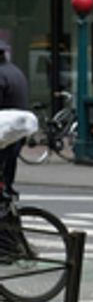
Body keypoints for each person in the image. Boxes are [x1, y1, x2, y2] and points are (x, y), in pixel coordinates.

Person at [0, 42, 29, 196]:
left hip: (5, 129)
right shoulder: (16, 71)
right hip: (17, 130)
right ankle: (7, 190)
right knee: (9, 164)